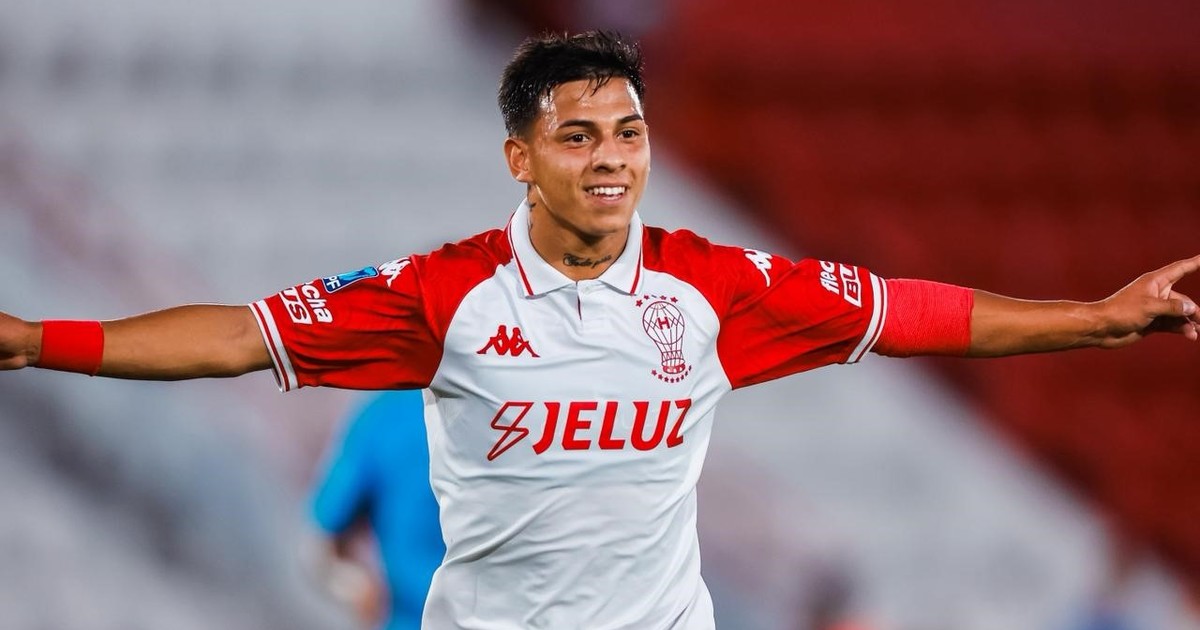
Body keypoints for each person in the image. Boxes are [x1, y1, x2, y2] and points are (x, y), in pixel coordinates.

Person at [0, 31, 1197, 629]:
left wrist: (1094, 319)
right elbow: (238, 337)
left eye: (628, 133)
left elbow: (909, 314)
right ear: (521, 159)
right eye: (580, 137)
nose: (614, 159)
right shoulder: (442, 299)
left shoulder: (712, 286)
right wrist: (45, 341)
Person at [307, 389, 445, 630]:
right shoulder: (508, 413)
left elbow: (319, 548)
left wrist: (356, 588)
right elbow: (321, 544)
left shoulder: (386, 413)